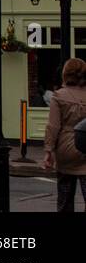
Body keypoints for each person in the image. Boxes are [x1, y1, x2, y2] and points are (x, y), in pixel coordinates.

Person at [42, 57, 86, 212]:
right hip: (85, 146)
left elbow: (53, 126)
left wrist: (49, 151)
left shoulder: (59, 96)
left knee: (65, 199)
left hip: (66, 148)